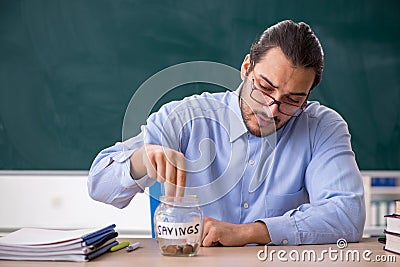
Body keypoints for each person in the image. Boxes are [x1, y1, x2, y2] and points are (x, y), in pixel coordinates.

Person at [88, 20, 365, 246]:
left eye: (292, 100)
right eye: (265, 88)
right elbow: (99, 184)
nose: (271, 109)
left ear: (306, 98)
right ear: (247, 68)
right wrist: (140, 159)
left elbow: (347, 215)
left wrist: (250, 232)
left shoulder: (322, 128)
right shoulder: (187, 118)